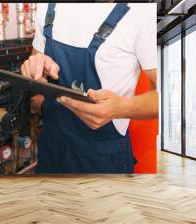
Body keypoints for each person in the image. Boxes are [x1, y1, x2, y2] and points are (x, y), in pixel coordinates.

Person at [21, 3, 158, 173]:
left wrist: (123, 108)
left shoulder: (139, 14)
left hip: (102, 158)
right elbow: (36, 66)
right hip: (51, 149)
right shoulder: (48, 8)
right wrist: (33, 67)